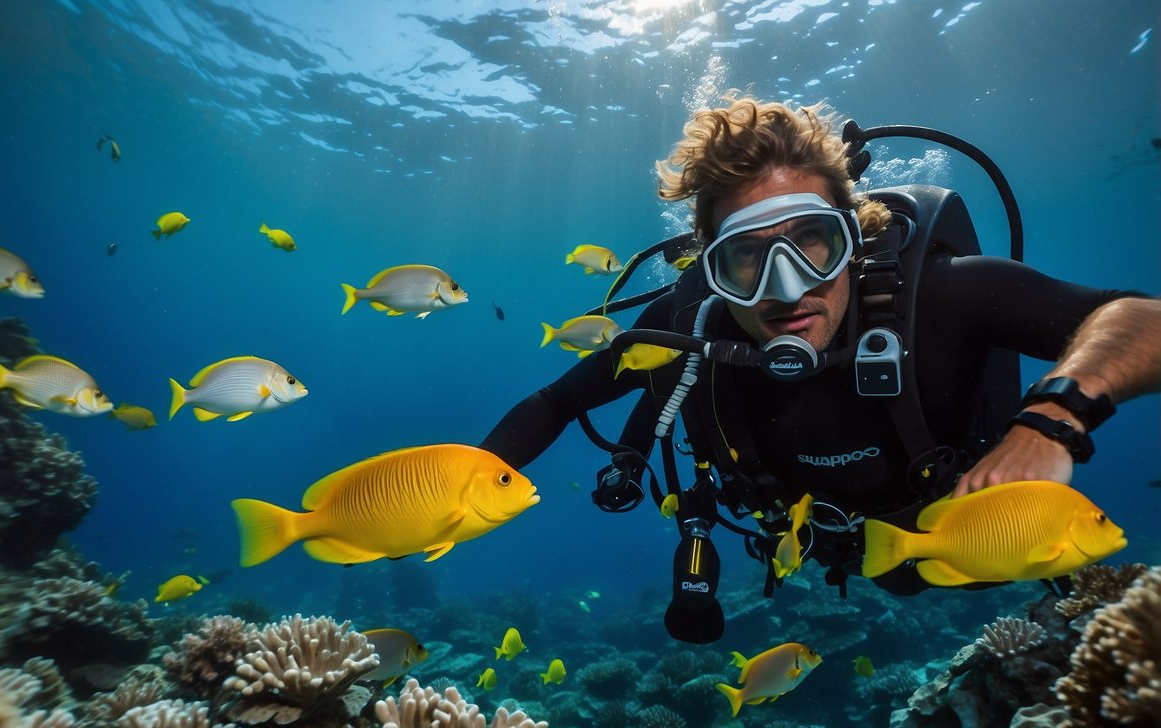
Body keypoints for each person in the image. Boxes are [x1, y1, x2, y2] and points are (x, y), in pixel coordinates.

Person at [480, 94, 1161, 642]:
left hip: (964, 536)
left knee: (938, 581)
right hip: (815, 543)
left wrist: (1052, 419)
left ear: (854, 231)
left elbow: (1140, 316)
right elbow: (553, 402)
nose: (785, 288)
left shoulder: (944, 295)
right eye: (744, 259)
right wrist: (445, 490)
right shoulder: (684, 333)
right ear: (708, 269)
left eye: (812, 241)